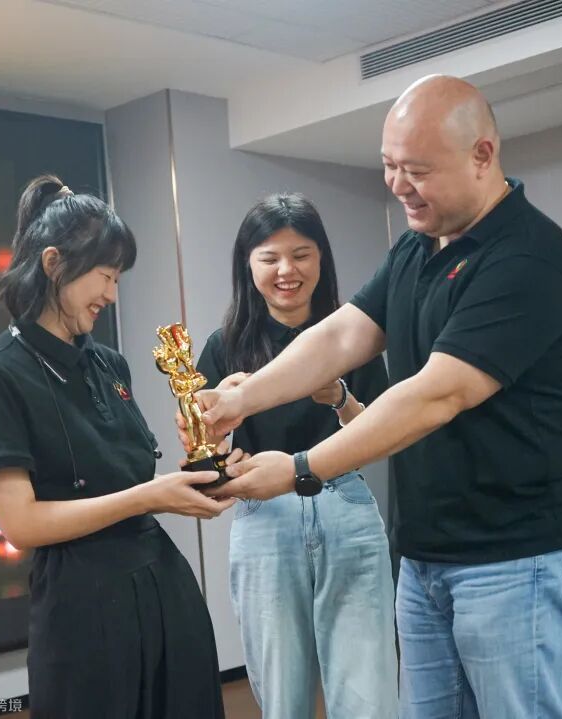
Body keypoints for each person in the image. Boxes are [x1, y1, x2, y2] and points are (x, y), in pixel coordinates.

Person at [195, 76, 562, 719]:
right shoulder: (417, 245)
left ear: (482, 155)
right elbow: (344, 334)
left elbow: (436, 395)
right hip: (427, 556)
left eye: (416, 170)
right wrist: (241, 402)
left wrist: (300, 469)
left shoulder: (528, 257)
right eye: (389, 165)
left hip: (516, 558)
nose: (397, 185)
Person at [0, 175, 239, 719]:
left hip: (164, 589)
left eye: (116, 278)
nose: (111, 295)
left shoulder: (108, 364)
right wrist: (150, 497)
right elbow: (21, 525)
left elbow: (131, 476)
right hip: (82, 609)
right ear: (54, 263)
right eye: (105, 277)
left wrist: (206, 471)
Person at [186, 193, 398, 718]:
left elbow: (382, 429)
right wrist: (215, 426)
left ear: (321, 258)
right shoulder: (224, 345)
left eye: (301, 254)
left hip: (344, 502)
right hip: (265, 515)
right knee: (282, 694)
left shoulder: (353, 335)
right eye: (270, 257)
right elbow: (206, 458)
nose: (287, 270)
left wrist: (341, 397)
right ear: (248, 264)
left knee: (367, 691)